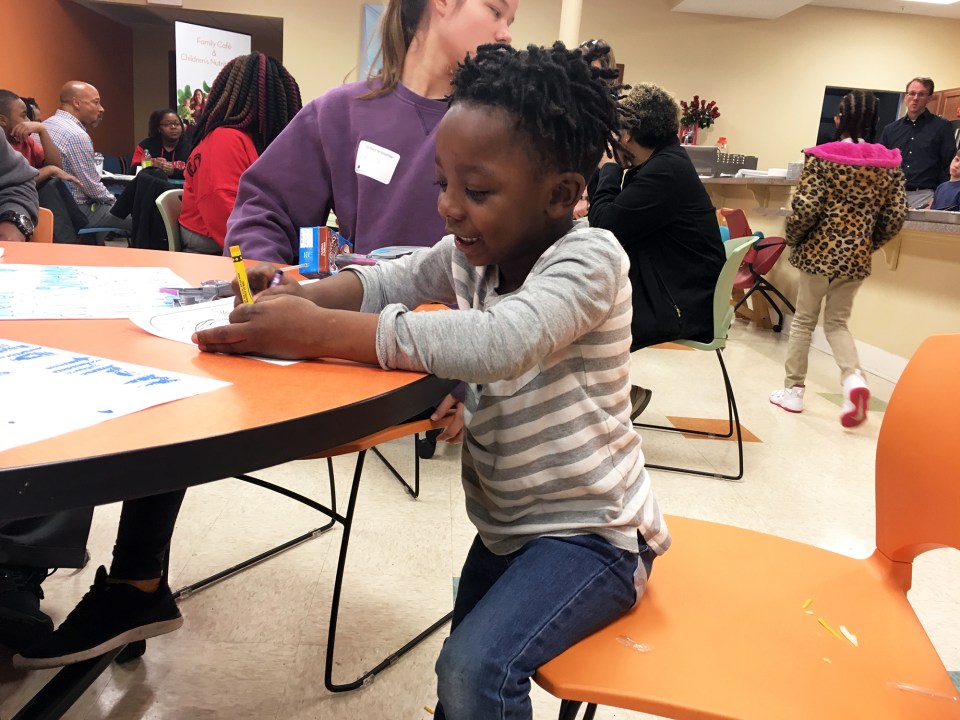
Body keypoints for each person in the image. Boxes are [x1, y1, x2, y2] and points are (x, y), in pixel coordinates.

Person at [194, 42, 671, 719]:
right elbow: (390, 276)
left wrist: (316, 332)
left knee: (476, 669)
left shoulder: (590, 257)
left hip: (595, 537)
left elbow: (502, 342)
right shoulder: (473, 253)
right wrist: (301, 296)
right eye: (443, 184)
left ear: (561, 195)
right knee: (463, 675)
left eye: (475, 192)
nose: (449, 208)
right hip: (508, 528)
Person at [225, 0, 517, 265]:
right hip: (366, 317)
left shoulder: (505, 126)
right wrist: (264, 281)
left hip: (465, 320)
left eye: (510, 21)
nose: (506, 35)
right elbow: (263, 210)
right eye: (495, 11)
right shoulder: (340, 113)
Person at [587, 82, 725, 419]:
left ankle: (614, 399)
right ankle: (611, 397)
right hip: (679, 287)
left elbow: (605, 226)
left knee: (582, 321)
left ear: (629, 134)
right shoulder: (664, 163)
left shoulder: (665, 171)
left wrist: (609, 168)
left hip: (680, 303)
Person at [770, 90, 906, 428]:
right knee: (836, 323)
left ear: (838, 119)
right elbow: (895, 215)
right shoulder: (889, 163)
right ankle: (853, 381)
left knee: (803, 321)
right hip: (856, 257)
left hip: (818, 253)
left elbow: (806, 207)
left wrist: (793, 240)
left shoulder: (823, 157)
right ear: (876, 122)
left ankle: (793, 391)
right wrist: (867, 244)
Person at [177, 53, 302, 254]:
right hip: (214, 242)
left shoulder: (251, 139)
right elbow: (225, 215)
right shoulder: (225, 139)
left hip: (245, 232)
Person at [42, 81, 132, 234]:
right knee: (141, 217)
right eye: (96, 102)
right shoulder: (76, 135)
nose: (101, 108)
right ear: (76, 103)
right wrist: (116, 202)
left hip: (50, 206)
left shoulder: (47, 124)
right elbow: (92, 188)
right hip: (77, 210)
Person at [879, 77, 954, 209]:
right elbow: (881, 165)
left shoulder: (942, 127)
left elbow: (948, 164)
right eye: (912, 93)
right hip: (893, 195)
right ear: (905, 96)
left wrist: (939, 196)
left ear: (929, 98)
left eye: (921, 94)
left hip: (926, 196)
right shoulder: (890, 130)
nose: (915, 98)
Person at [129, 109, 189, 180]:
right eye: (167, 124)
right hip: (152, 188)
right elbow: (133, 170)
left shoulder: (191, 147)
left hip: (181, 189)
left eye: (177, 124)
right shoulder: (145, 146)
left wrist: (174, 171)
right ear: (159, 128)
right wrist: (153, 165)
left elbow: (197, 173)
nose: (173, 127)